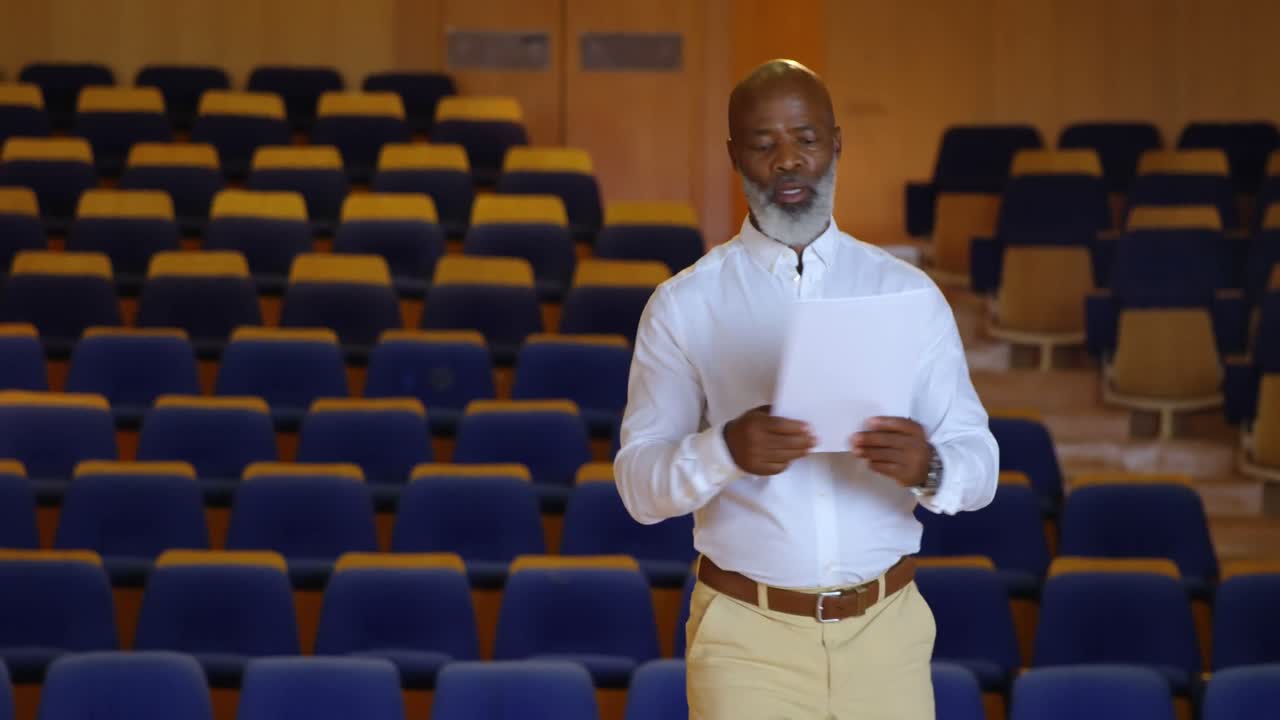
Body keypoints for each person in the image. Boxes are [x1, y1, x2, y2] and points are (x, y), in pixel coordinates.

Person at [613, 59, 999, 719]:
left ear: (837, 143)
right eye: (764, 145)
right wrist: (723, 450)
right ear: (735, 156)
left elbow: (980, 462)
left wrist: (931, 467)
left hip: (888, 633)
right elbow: (638, 489)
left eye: (807, 139)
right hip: (746, 639)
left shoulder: (906, 294)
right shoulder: (683, 305)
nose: (788, 160)